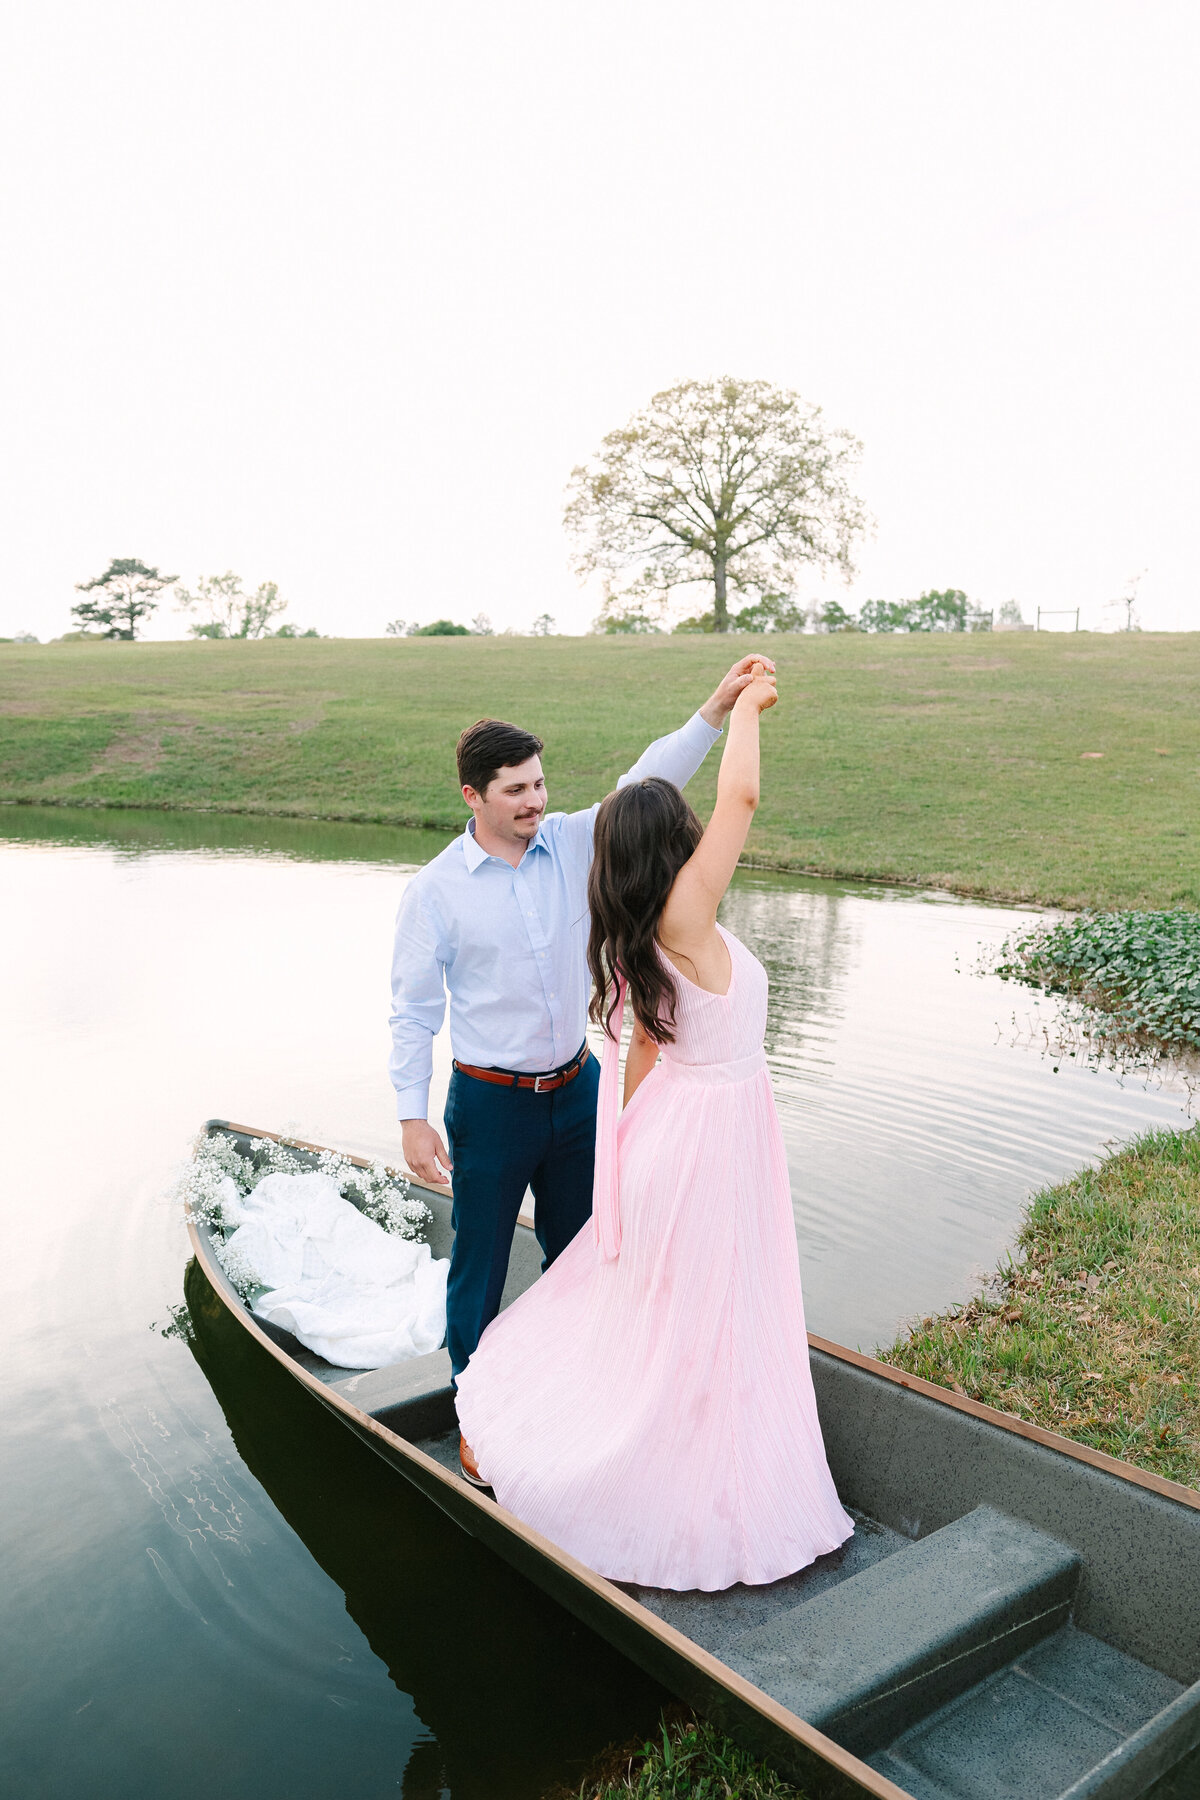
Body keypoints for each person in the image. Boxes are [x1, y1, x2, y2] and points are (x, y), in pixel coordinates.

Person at [454, 663, 854, 1590]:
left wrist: (623, 1154)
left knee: (687, 1303)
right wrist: (749, 708)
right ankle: (675, 1462)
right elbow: (743, 794)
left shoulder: (640, 920)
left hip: (680, 1129)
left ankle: (693, 1426)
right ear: (676, 840)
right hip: (712, 1135)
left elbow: (640, 1048)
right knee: (710, 1306)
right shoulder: (686, 907)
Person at [389, 657, 774, 1425]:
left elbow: (647, 777)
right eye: (516, 790)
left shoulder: (569, 840)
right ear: (473, 796)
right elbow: (411, 1010)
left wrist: (715, 706)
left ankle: (589, 1389)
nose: (535, 801)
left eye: (538, 784)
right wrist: (411, 1115)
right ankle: (474, 1410)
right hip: (491, 1106)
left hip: (579, 1092)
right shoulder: (434, 892)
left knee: (594, 1250)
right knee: (480, 1267)